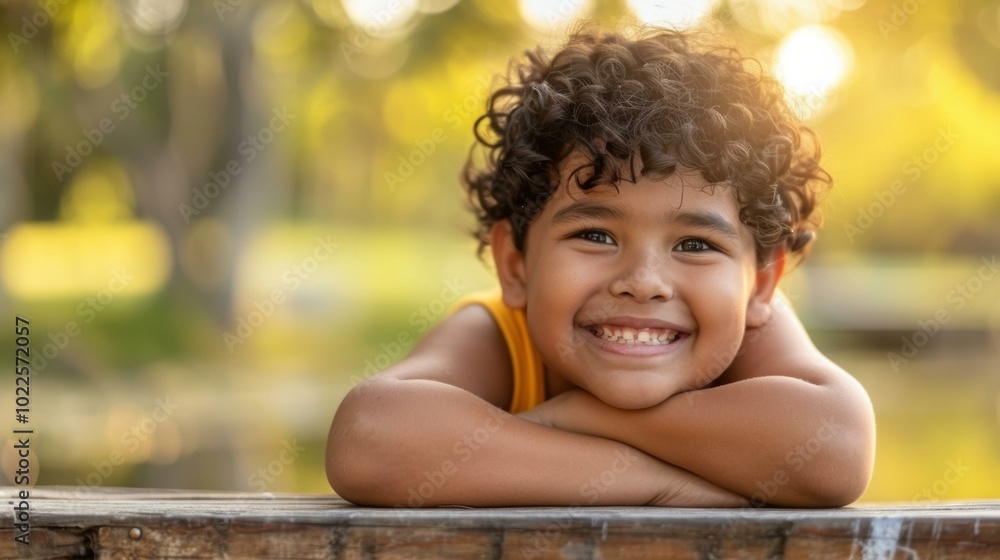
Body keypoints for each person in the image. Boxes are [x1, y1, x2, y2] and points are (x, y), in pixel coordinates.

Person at [326, 26, 875, 508]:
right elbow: (372, 438)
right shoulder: (497, 336)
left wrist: (582, 417)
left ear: (761, 284)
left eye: (694, 245)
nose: (643, 282)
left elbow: (838, 450)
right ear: (515, 266)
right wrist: (653, 483)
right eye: (595, 235)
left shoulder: (743, 322)